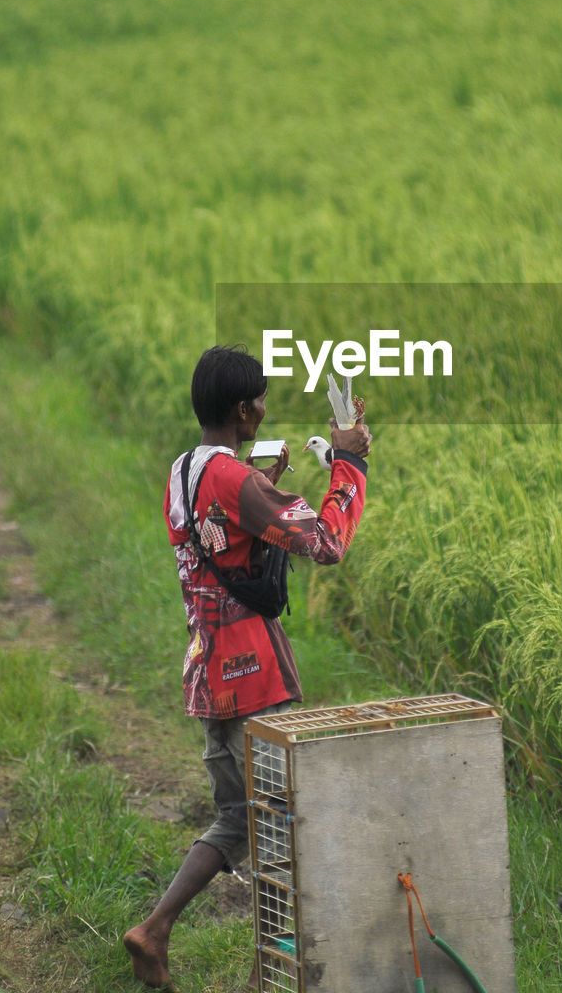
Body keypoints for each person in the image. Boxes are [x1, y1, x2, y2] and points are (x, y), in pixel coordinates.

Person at [124, 344, 372, 991]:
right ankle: (278, 975)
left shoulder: (185, 471)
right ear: (241, 409)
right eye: (259, 400)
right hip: (252, 679)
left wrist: (266, 479)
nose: (265, 409)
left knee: (240, 820)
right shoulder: (236, 481)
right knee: (285, 830)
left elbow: (224, 533)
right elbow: (325, 543)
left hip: (207, 674)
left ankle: (154, 932)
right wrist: (349, 463)